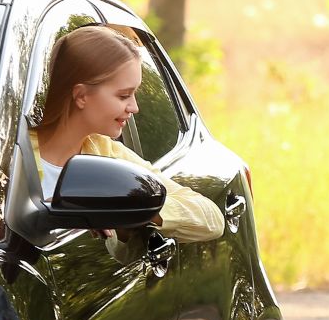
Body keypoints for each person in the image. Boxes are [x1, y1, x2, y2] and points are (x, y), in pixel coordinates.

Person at [30, 25, 222, 244]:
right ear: (81, 95)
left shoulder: (109, 154)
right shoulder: (7, 154)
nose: (134, 107)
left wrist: (121, 206)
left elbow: (212, 219)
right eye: (124, 96)